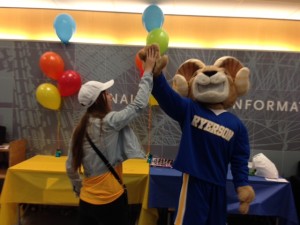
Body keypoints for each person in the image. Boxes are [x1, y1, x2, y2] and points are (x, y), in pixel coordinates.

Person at [66, 45, 158, 225]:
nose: (110, 97)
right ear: (99, 99)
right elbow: (138, 105)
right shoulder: (109, 122)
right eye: (107, 93)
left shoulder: (79, 129)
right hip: (111, 202)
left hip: (86, 202)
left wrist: (79, 188)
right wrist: (148, 71)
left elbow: (70, 167)